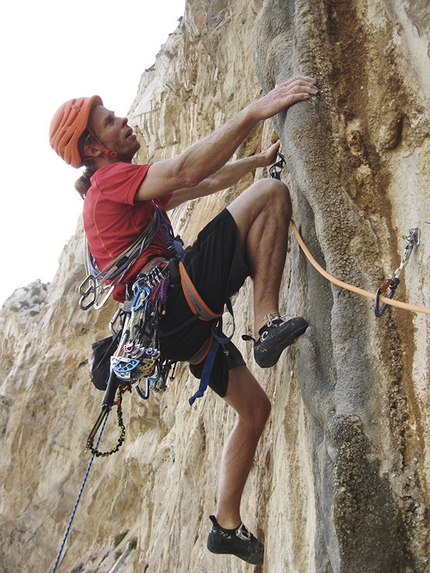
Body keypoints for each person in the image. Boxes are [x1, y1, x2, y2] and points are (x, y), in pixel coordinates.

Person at [49, 75, 317, 565]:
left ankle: (226, 523)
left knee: (254, 410)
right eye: (110, 121)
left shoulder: (117, 194)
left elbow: (202, 182)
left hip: (173, 331)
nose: (124, 120)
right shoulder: (111, 182)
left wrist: (256, 161)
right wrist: (256, 110)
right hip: (172, 299)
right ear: (94, 146)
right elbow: (188, 169)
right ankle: (267, 323)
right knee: (271, 197)